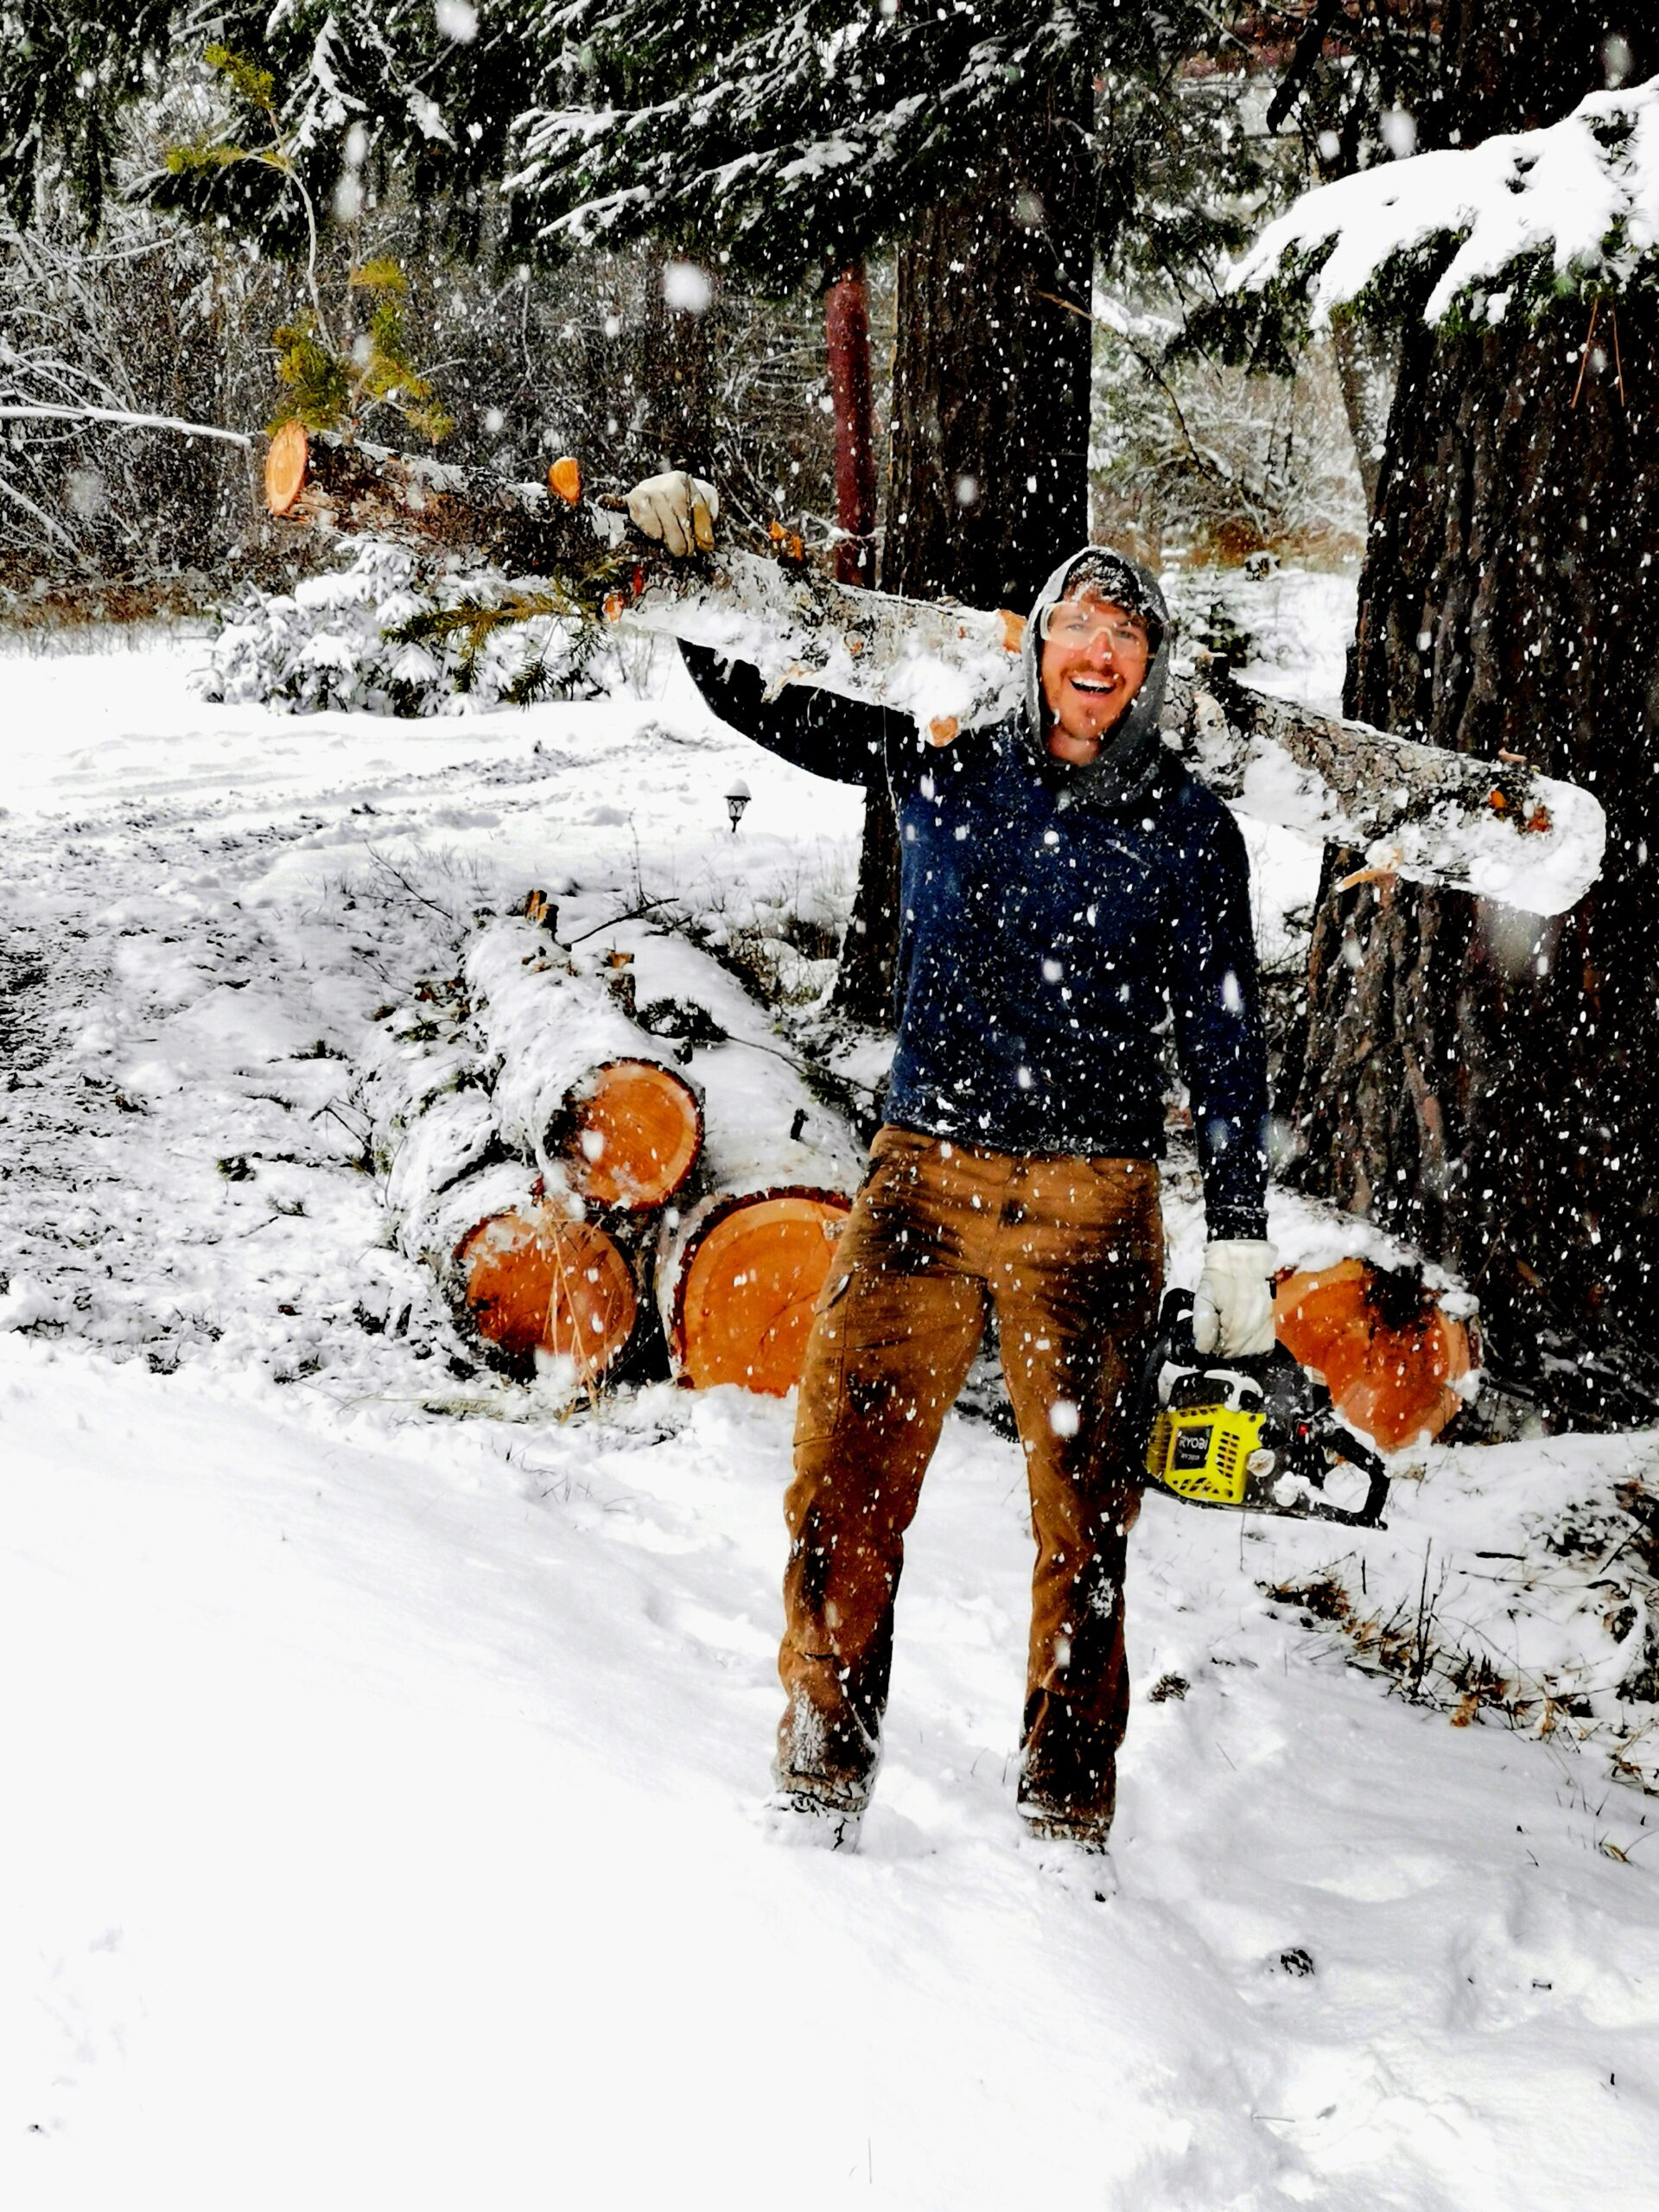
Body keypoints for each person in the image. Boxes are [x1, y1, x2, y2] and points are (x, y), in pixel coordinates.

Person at [626, 470, 1274, 1860]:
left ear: (1148, 669)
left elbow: (1225, 1033)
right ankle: (818, 1769)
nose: (1099, 654)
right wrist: (694, 573)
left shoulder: (1185, 829)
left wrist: (1238, 1233)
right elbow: (774, 705)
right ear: (1036, 643)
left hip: (1096, 1204)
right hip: (919, 1180)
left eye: (1128, 636)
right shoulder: (942, 760)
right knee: (843, 1476)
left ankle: (1063, 1809)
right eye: (1078, 625)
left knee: (1086, 1521)